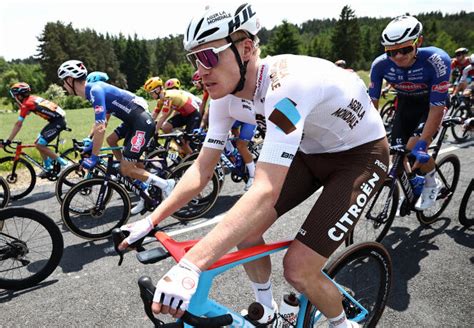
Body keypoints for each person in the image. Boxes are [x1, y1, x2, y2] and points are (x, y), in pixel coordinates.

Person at [119, 3, 389, 327]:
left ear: (246, 48)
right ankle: (270, 312)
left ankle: (342, 323)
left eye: (208, 57)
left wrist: (191, 265)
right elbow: (202, 170)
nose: (199, 70)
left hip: (360, 156)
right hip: (310, 151)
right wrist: (150, 222)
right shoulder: (223, 97)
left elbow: (264, 190)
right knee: (247, 231)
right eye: (194, 59)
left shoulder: (286, 87)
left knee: (299, 268)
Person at [57, 60, 175, 215]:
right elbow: (101, 123)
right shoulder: (92, 91)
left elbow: (101, 126)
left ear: (70, 80)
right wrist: (91, 143)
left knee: (126, 168)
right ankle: (143, 193)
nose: (63, 86)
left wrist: (94, 156)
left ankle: (166, 184)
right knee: (113, 144)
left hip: (142, 124)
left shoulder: (94, 90)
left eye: (63, 82)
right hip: (133, 122)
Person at [369, 15, 451, 210]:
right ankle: (414, 182)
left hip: (430, 107)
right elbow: (372, 105)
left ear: (418, 42)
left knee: (414, 148)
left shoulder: (437, 60)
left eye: (405, 49)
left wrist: (423, 143)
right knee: (396, 157)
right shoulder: (379, 65)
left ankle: (432, 183)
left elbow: (436, 107)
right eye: (391, 52)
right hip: (405, 107)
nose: (398, 56)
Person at [1, 82, 70, 177]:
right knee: (38, 142)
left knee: (39, 145)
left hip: (57, 122)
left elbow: (18, 124)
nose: (15, 98)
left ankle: (65, 165)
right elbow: (28, 111)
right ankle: (48, 167)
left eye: (16, 96)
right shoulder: (31, 99)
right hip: (55, 120)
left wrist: (9, 140)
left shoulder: (27, 103)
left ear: (20, 95)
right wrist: (19, 103)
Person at [144, 77, 202, 155]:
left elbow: (163, 116)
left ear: (157, 90)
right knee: (166, 127)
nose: (151, 95)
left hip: (193, 115)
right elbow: (154, 114)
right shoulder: (161, 99)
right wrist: (147, 126)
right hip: (184, 115)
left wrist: (154, 131)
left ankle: (192, 158)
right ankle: (180, 148)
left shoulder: (168, 97)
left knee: (186, 142)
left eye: (151, 93)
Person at [230, 120, 257, 190]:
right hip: (235, 118)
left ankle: (253, 176)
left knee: (241, 146)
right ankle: (241, 155)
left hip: (249, 118)